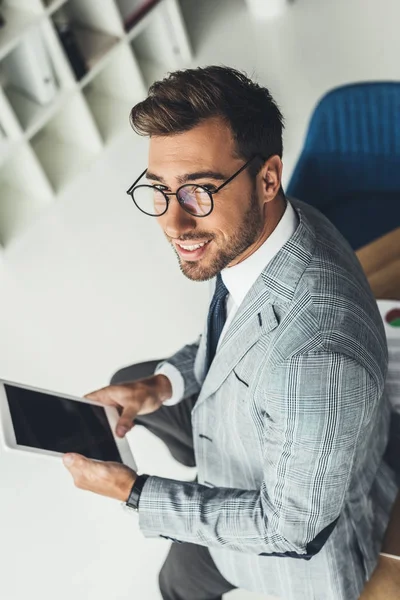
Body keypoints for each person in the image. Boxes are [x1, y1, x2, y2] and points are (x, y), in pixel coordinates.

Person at [63, 66, 399, 600]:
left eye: (198, 190)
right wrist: (162, 386)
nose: (174, 223)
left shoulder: (316, 359)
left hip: (298, 552)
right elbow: (242, 321)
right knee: (132, 380)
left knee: (176, 582)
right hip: (267, 427)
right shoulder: (283, 223)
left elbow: (292, 530)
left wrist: (137, 494)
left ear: (267, 178)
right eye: (159, 190)